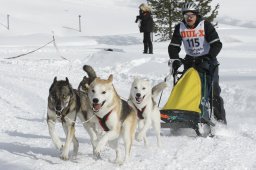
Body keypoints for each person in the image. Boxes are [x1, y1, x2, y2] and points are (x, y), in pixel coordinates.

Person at [168, 2, 227, 124]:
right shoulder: (180, 27)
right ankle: (182, 115)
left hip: (208, 60)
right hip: (191, 61)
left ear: (196, 15)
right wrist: (175, 59)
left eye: (192, 15)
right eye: (186, 15)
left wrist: (209, 57)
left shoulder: (205, 25)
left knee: (213, 91)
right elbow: (173, 46)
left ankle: (220, 121)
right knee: (184, 86)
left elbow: (217, 44)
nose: (189, 18)